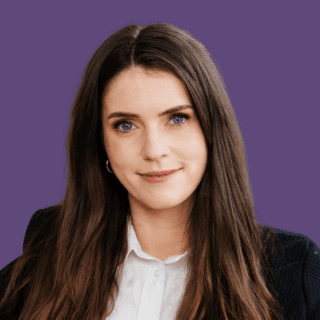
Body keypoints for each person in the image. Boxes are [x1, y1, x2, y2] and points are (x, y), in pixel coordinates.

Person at [0, 22, 319, 320]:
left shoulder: (293, 271)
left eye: (177, 118)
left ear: (212, 130)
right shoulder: (42, 260)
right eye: (125, 125)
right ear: (101, 145)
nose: (153, 150)